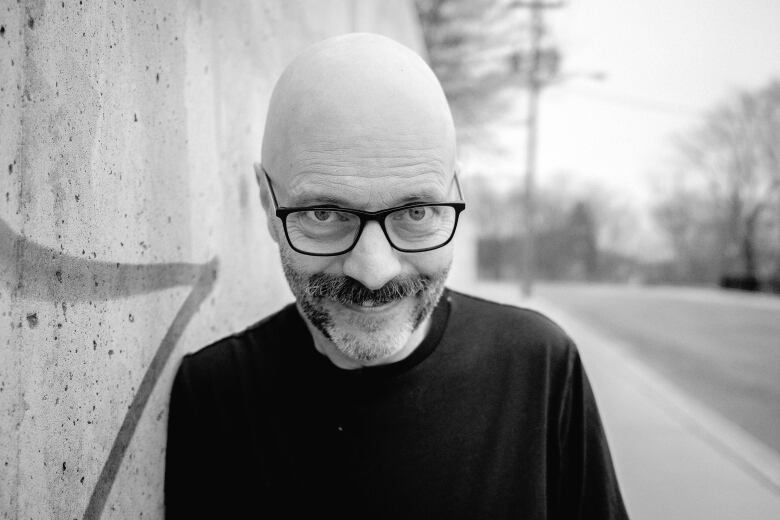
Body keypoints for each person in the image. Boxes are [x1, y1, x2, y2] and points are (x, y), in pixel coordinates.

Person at [164, 33, 628, 519]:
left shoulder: (539, 367)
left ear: (455, 191)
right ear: (266, 202)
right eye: (325, 214)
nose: (373, 271)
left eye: (416, 211)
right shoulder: (216, 394)